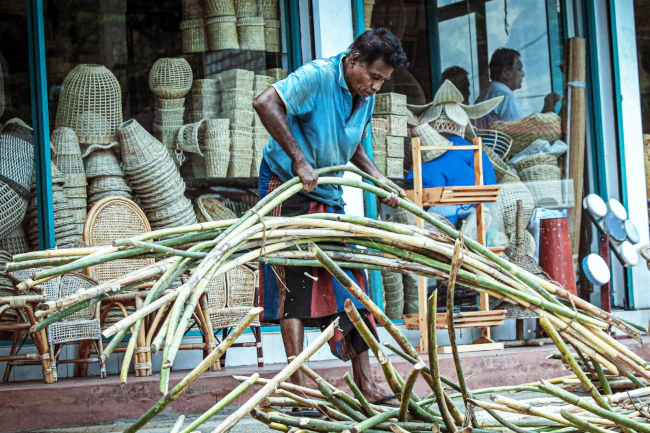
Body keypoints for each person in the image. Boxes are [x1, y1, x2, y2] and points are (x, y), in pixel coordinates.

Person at [253, 28, 408, 407]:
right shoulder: (318, 75)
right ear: (354, 60)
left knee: (351, 283)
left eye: (383, 81)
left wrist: (378, 178)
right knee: (295, 283)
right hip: (289, 188)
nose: (376, 87)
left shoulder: (363, 94)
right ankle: (298, 384)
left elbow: (351, 143)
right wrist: (299, 159)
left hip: (329, 194)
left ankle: (366, 383)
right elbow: (264, 102)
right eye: (374, 77)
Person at [475, 48, 561, 127]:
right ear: (506, 73)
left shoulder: (485, 95)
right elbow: (521, 134)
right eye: (519, 69)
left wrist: (546, 110)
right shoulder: (506, 99)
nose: (523, 74)